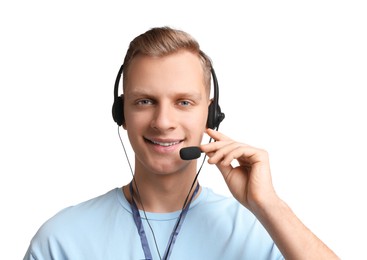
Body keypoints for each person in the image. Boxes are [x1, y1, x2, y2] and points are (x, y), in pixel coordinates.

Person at [24, 26, 339, 260]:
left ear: (211, 114)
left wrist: (268, 205)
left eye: (184, 102)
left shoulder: (263, 231)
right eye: (145, 101)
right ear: (121, 112)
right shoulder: (61, 240)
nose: (162, 122)